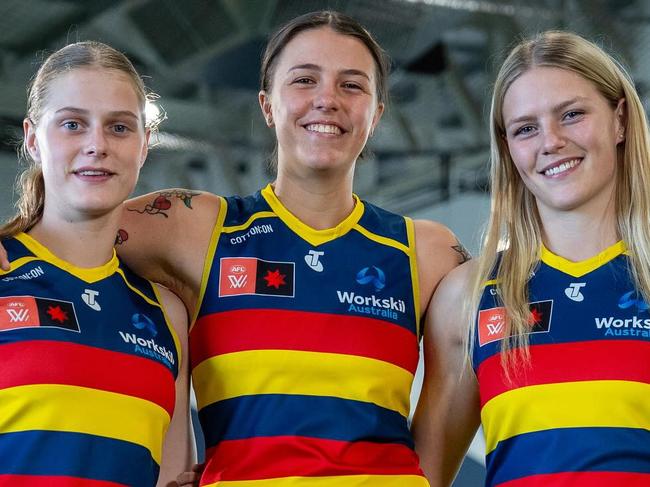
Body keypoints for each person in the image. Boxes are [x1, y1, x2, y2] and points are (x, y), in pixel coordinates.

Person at [101, 10, 467, 486]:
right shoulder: (192, 226)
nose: (327, 100)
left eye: (352, 86)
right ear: (267, 105)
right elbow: (59, 234)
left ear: (375, 115)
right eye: (304, 80)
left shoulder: (427, 251)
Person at [412, 31, 650, 487]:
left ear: (619, 119)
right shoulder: (468, 297)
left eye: (573, 115)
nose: (552, 141)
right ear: (508, 149)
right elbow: (422, 475)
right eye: (526, 128)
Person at [0, 41, 192, 486]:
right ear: (32, 138)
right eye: (72, 124)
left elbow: (170, 477)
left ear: (144, 145)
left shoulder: (165, 312)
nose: (97, 145)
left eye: (119, 128)